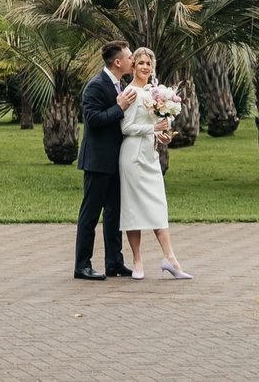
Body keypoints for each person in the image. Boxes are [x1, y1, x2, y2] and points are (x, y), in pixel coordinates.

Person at [118, 48, 190, 279]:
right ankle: (137, 261)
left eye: (148, 63)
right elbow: (125, 128)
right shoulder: (130, 92)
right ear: (134, 66)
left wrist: (162, 135)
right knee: (132, 209)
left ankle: (171, 259)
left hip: (151, 156)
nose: (144, 67)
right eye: (140, 63)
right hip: (132, 157)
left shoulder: (155, 91)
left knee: (159, 206)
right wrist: (152, 129)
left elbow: (156, 125)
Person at [74, 41, 137, 279]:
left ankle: (114, 262)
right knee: (90, 214)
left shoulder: (120, 85)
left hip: (115, 161)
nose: (134, 60)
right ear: (118, 62)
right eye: (130, 57)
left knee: (113, 214)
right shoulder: (95, 86)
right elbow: (93, 120)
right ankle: (82, 265)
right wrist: (119, 107)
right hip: (97, 162)